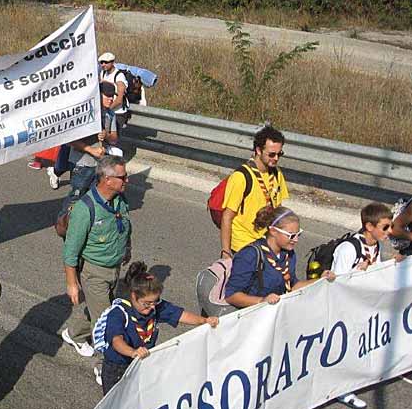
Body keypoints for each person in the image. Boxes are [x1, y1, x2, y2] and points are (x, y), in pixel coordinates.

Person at [100, 262, 217, 395]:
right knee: (117, 401)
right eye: (147, 303)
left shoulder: (155, 307)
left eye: (154, 302)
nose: (152, 307)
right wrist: (133, 352)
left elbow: (180, 315)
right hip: (118, 367)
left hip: (143, 362)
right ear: (133, 296)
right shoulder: (119, 313)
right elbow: (116, 341)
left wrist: (204, 321)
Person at [331, 202, 401, 408]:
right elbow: (337, 282)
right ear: (369, 226)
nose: (389, 232)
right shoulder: (348, 248)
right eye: (385, 227)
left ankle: (354, 380)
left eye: (390, 227)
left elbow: (375, 272)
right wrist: (356, 273)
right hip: (344, 308)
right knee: (345, 348)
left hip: (362, 305)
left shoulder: (375, 245)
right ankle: (341, 389)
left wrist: (391, 265)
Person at [62, 156, 132, 361]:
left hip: (114, 268)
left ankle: (74, 334)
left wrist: (127, 248)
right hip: (94, 273)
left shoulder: (120, 200)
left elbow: (125, 226)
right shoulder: (84, 209)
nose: (127, 180)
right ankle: (104, 367)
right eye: (123, 177)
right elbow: (70, 251)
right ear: (107, 180)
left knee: (101, 308)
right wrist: (72, 283)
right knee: (106, 323)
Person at [225, 206, 334, 310]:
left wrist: (320, 280)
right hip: (254, 316)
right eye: (291, 235)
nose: (296, 240)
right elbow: (231, 295)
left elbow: (292, 286)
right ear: (273, 231)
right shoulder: (250, 255)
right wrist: (262, 301)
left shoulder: (288, 254)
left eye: (298, 234)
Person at [220, 126, 288, 258]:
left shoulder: (277, 174)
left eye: (279, 154)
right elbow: (227, 217)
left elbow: (278, 210)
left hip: (266, 245)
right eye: (271, 154)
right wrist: (226, 252)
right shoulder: (241, 177)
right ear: (258, 150)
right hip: (243, 246)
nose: (276, 158)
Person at [59, 82, 119, 214]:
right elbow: (70, 140)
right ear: (98, 95)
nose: (111, 99)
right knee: (76, 198)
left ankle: (86, 223)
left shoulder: (110, 114)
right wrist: (91, 150)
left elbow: (114, 138)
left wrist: (107, 135)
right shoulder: (84, 113)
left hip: (100, 166)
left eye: (112, 96)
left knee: (94, 199)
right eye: (107, 95)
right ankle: (65, 222)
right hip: (82, 165)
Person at [97, 52, 130, 130]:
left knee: (115, 135)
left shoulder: (119, 76)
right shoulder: (103, 73)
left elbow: (119, 100)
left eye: (106, 62)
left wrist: (108, 110)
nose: (103, 64)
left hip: (118, 113)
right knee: (106, 133)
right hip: (108, 111)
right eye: (101, 62)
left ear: (112, 62)